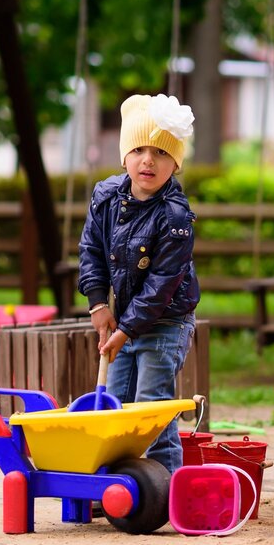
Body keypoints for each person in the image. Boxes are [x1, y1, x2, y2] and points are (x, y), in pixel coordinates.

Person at [78, 93, 199, 474]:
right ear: (124, 156)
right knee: (116, 403)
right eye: (140, 150)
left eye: (162, 153)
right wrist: (99, 305)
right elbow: (91, 251)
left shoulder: (174, 216)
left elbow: (163, 282)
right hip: (124, 324)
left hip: (165, 322)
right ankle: (114, 483)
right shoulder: (106, 197)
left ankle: (166, 488)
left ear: (175, 164)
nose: (149, 160)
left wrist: (127, 329)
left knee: (151, 408)